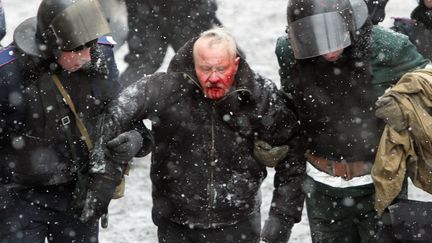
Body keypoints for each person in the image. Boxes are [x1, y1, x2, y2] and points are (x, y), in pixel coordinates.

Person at [89, 27, 305, 243]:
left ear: (236, 64)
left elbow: (293, 152)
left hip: (239, 223)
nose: (213, 78)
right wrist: (130, 146)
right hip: (177, 222)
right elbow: (116, 111)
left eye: (221, 69)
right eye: (206, 68)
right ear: (194, 65)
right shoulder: (166, 88)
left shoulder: (259, 96)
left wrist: (282, 218)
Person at [275, 0, 430, 242]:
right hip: (322, 188)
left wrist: (405, 106)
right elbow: (293, 111)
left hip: (380, 183)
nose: (329, 51)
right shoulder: (289, 51)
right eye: (317, 38)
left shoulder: (387, 48)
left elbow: (427, 85)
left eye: (335, 35)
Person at [0, 0, 144, 242]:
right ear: (54, 45)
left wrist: (135, 138)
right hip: (18, 198)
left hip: (77, 196)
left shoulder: (100, 56)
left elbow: (121, 116)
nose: (87, 56)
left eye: (90, 46)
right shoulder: (9, 73)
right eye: (77, 49)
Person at [121, 0, 224, 85]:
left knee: (144, 62)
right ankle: (231, 102)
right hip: (186, 9)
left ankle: (116, 105)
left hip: (146, 6)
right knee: (205, 58)